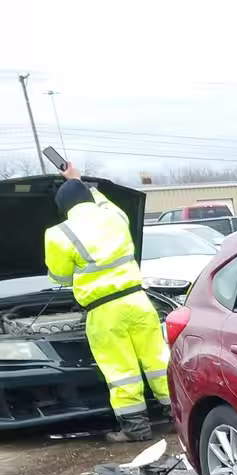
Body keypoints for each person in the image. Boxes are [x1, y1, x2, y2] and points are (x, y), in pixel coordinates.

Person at [44, 163, 171, 442]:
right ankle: (178, 415)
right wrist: (78, 180)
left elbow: (60, 276)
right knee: (158, 361)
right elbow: (101, 199)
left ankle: (137, 430)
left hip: (104, 311)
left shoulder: (59, 233)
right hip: (139, 301)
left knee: (121, 371)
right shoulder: (115, 216)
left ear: (63, 207)